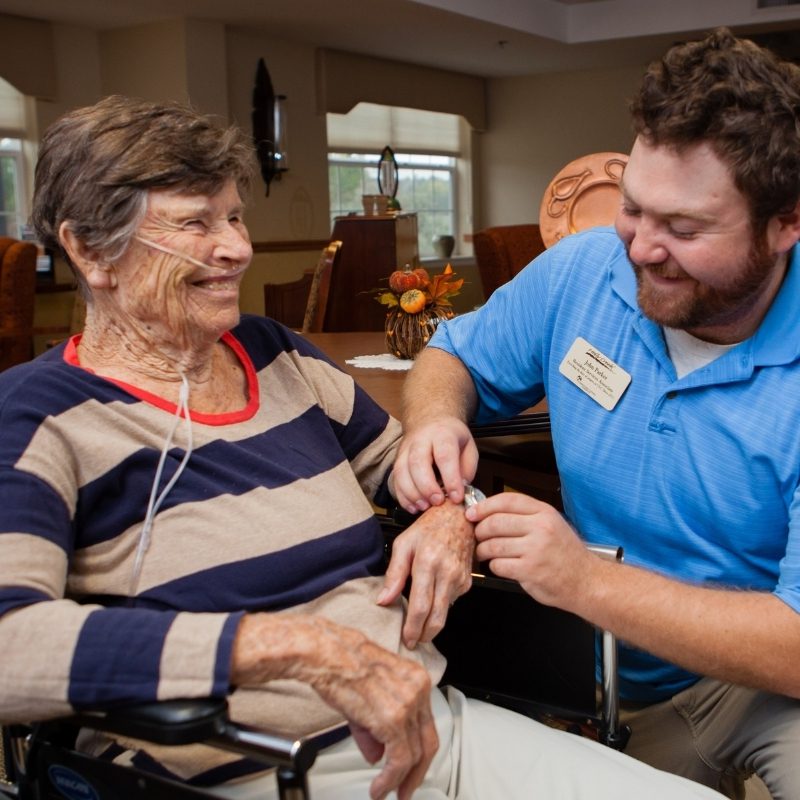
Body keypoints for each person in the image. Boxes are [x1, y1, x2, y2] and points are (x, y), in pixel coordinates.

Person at [0, 95, 723, 800]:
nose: (238, 249)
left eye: (235, 217)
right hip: (244, 767)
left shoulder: (276, 356)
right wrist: (300, 649)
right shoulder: (37, 416)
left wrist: (447, 514)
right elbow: (10, 649)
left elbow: (411, 469)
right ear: (92, 251)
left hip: (436, 725)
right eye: (196, 225)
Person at [393, 27, 800, 800]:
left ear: (788, 222)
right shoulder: (584, 268)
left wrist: (582, 581)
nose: (641, 249)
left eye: (684, 229)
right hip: (615, 685)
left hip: (768, 683)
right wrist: (435, 421)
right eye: (635, 210)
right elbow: (454, 356)